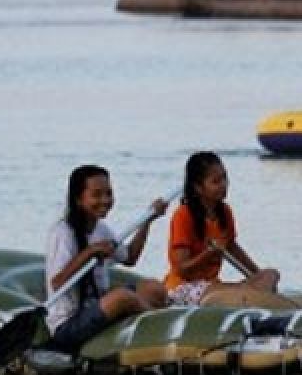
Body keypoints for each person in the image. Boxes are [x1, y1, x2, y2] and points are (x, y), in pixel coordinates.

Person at [44, 165, 169, 353]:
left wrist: (148, 220)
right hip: (68, 325)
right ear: (78, 199)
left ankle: (145, 315)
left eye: (108, 193)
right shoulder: (62, 233)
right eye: (96, 195)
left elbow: (130, 257)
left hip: (96, 306)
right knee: (122, 297)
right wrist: (90, 252)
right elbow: (58, 283)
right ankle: (163, 323)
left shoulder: (101, 229)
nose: (105, 200)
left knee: (155, 288)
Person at [163, 151, 288, 308]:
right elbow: (182, 270)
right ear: (198, 187)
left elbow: (232, 248)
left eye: (225, 178)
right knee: (238, 291)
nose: (224, 185)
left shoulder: (225, 211)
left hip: (213, 286)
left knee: (271, 275)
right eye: (216, 181)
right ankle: (249, 296)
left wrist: (257, 275)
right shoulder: (183, 215)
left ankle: (255, 296)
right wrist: (208, 253)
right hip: (184, 288)